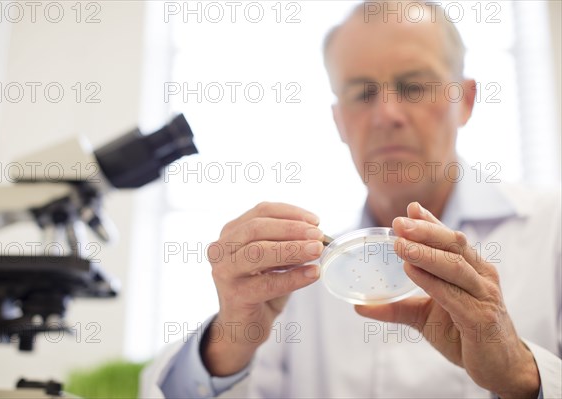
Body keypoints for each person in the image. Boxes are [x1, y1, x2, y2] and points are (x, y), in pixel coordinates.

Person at [140, 2, 561, 398]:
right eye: (362, 93)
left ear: (465, 101)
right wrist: (231, 337)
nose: (386, 115)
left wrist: (521, 375)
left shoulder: (550, 233)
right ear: (339, 121)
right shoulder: (293, 275)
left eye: (413, 86)